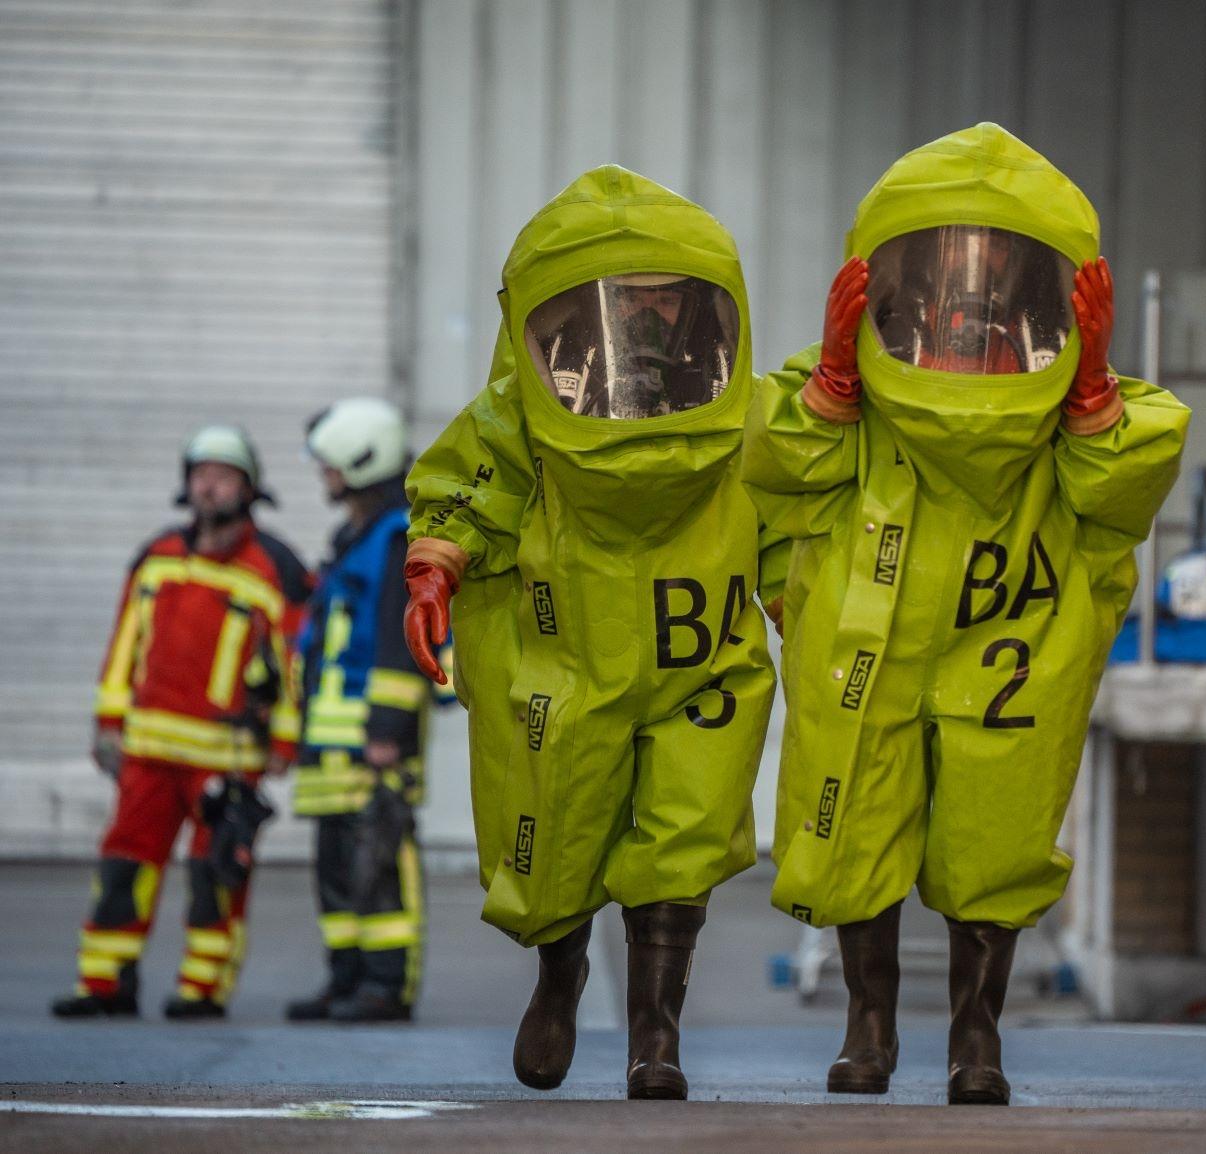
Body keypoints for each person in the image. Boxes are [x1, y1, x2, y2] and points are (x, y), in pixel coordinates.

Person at [743, 123, 1189, 1105]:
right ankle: (870, 1018)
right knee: (856, 825)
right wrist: (827, 390)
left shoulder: (1076, 405)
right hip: (876, 647)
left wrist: (1091, 399)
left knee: (997, 834)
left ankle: (974, 1032)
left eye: (995, 278)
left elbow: (1120, 497)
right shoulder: (844, 396)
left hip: (1009, 653)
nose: (966, 297)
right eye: (943, 276)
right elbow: (772, 468)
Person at [403, 165, 786, 1098]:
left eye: (663, 298)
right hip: (566, 661)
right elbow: (467, 486)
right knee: (557, 834)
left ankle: (656, 1037)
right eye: (623, 300)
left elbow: (793, 514)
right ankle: (559, 973)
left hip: (702, 670)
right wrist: (436, 562)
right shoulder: (520, 419)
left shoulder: (746, 418)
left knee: (684, 836)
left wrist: (804, 603)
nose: (644, 321)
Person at [52, 426, 310, 1020]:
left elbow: (296, 663)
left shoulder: (276, 567)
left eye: (223, 475)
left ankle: (202, 988)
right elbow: (124, 645)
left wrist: (285, 738)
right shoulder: (156, 557)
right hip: (146, 750)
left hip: (226, 756)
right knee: (125, 864)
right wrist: (108, 722)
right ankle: (104, 984)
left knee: (215, 872)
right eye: (200, 473)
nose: (209, 484)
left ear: (249, 488)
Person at [286, 397, 451, 1024]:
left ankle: (386, 984)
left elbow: (398, 635)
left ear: (361, 461)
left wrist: (388, 727)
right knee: (336, 864)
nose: (323, 475)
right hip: (332, 743)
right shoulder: (355, 537)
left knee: (381, 860)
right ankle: (346, 977)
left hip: (373, 739)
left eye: (330, 464)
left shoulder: (396, 538)